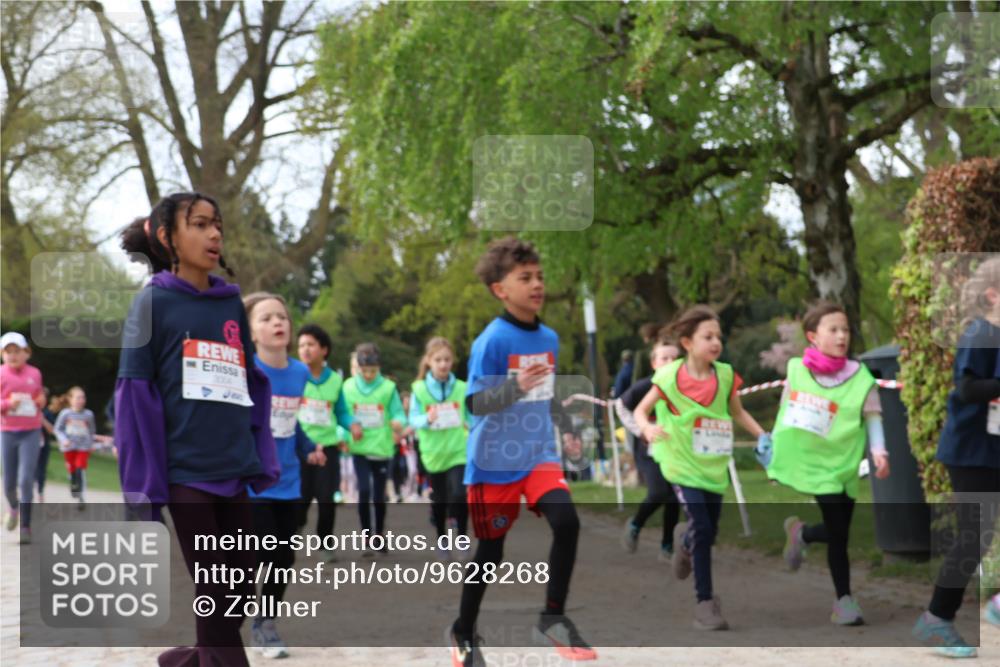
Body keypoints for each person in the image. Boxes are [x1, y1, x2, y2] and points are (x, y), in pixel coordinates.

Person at [116, 195, 280, 667]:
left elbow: (251, 383)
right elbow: (135, 396)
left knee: (242, 589)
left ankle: (186, 662)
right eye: (201, 225)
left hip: (233, 468)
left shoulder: (229, 303)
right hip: (186, 474)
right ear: (168, 237)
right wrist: (141, 486)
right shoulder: (152, 302)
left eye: (218, 227)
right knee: (215, 590)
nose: (214, 236)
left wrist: (258, 453)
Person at [449, 237, 596, 667]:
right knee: (490, 553)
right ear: (500, 289)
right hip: (493, 461)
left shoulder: (548, 336)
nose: (537, 285)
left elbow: (545, 392)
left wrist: (566, 427)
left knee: (566, 521)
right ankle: (463, 631)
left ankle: (553, 617)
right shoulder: (491, 341)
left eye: (540, 277)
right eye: (525, 278)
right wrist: (515, 387)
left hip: (537, 455)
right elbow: (473, 404)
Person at [634, 305, 769, 631]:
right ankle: (704, 603)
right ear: (687, 342)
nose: (715, 342)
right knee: (704, 530)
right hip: (680, 463)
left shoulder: (724, 376)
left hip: (713, 465)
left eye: (718, 337)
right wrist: (647, 428)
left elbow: (737, 413)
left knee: (709, 530)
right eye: (707, 336)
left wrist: (764, 435)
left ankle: (685, 542)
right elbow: (641, 410)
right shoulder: (668, 376)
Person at [762, 302, 890, 626]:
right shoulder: (797, 371)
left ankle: (802, 534)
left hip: (844, 464)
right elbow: (786, 419)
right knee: (839, 532)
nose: (841, 335)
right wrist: (775, 455)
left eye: (845, 329)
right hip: (814, 465)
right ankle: (844, 601)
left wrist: (879, 451)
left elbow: (872, 416)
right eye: (833, 329)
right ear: (812, 336)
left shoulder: (860, 376)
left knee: (839, 530)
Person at [912, 256, 1000, 658]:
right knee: (974, 537)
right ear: (992, 295)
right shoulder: (980, 333)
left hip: (993, 450)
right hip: (970, 453)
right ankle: (936, 619)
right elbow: (967, 389)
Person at [244, 291, 323, 659]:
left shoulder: (299, 373)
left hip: (289, 480)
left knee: (284, 557)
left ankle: (266, 623)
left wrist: (309, 448)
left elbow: (291, 425)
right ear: (250, 331)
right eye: (266, 318)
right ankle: (231, 621)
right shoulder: (245, 372)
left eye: (282, 316)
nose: (278, 323)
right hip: (252, 481)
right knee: (261, 552)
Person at [335, 342, 406, 549]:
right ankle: (367, 535)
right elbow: (341, 415)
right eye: (364, 371)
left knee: (378, 495)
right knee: (364, 491)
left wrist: (398, 423)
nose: (368, 375)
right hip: (359, 448)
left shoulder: (388, 387)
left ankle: (379, 533)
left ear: (379, 368)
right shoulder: (347, 387)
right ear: (357, 367)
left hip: (382, 448)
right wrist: (343, 434)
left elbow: (399, 413)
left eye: (373, 371)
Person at [616, 339, 681, 561]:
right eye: (664, 358)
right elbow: (620, 406)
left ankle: (667, 545)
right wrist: (642, 429)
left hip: (675, 449)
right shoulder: (647, 386)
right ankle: (635, 525)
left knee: (673, 497)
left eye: (675, 358)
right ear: (654, 363)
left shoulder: (683, 387)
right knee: (658, 493)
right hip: (648, 450)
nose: (670, 362)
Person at [409, 336, 470, 561]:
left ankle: (462, 539)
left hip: (457, 450)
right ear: (429, 361)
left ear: (452, 361)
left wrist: (471, 425)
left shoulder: (462, 388)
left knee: (460, 494)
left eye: (447, 359)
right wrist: (427, 417)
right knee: (440, 499)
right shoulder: (419, 389)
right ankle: (442, 539)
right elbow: (413, 420)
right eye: (438, 360)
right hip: (433, 453)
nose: (443, 364)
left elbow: (472, 415)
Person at [296, 323, 348, 563]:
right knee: (301, 497)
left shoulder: (335, 381)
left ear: (324, 349)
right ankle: (293, 531)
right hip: (299, 446)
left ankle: (325, 542)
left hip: (327, 447)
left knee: (326, 497)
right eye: (301, 345)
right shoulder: (294, 374)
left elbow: (342, 412)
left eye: (311, 345)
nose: (305, 350)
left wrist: (353, 425)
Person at [1, 331, 45, 544]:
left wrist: (41, 400)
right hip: (8, 432)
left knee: (26, 479)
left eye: (16, 351)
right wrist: (9, 404)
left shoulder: (35, 373)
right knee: (9, 482)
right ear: (2, 355)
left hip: (31, 431)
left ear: (26, 353)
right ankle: (13, 508)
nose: (12, 355)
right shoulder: (1, 374)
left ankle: (26, 526)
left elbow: (39, 396)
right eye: (7, 352)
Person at [53, 386, 113, 509]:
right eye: (78, 397)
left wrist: (95, 441)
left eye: (83, 397)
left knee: (80, 469)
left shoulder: (88, 414)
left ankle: (81, 497)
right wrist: (64, 440)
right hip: (69, 447)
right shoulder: (65, 414)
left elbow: (91, 431)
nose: (81, 400)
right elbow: (57, 429)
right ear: (70, 399)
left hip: (83, 447)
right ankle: (74, 484)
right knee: (73, 470)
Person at [37, 387, 57, 503]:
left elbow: (51, 430)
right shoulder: (28, 410)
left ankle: (40, 492)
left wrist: (42, 420)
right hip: (29, 445)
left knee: (41, 470)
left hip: (44, 446)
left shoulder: (47, 413)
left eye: (44, 396)